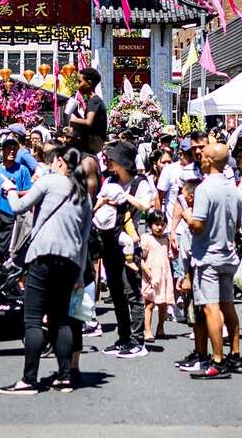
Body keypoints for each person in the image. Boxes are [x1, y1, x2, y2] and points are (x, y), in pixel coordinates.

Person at [0, 146, 94, 394]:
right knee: (60, 320)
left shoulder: (50, 182)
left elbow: (18, 207)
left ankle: (29, 379)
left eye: (53, 161)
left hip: (43, 255)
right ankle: (64, 376)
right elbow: (84, 241)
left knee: (32, 319)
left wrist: (8, 189)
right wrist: (81, 275)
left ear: (60, 161)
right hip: (71, 261)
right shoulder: (85, 195)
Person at [186, 142, 242, 379]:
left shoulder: (204, 189)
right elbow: (238, 223)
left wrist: (187, 216)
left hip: (208, 255)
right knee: (228, 305)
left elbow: (198, 225)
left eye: (203, 154)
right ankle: (235, 354)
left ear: (209, 160)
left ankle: (217, 360)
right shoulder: (234, 188)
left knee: (211, 308)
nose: (200, 157)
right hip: (228, 253)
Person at [95, 141, 154, 359]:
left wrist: (123, 196)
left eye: (112, 159)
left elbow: (146, 205)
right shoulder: (109, 180)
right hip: (110, 240)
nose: (109, 162)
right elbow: (100, 201)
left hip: (130, 242)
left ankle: (138, 341)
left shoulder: (140, 182)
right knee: (117, 292)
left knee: (132, 292)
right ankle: (123, 337)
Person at [139, 209, 173, 344]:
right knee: (150, 303)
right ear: (149, 225)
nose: (159, 227)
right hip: (151, 275)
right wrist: (145, 269)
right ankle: (147, 330)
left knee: (163, 303)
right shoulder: (146, 238)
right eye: (156, 224)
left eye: (162, 224)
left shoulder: (166, 239)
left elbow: (169, 256)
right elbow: (140, 257)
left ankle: (160, 327)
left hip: (164, 275)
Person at [68, 68, 108, 154]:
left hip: (93, 147)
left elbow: (88, 122)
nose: (78, 85)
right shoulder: (93, 101)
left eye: (80, 82)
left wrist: (72, 118)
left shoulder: (94, 101)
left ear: (89, 83)